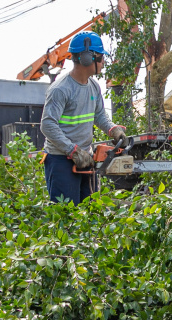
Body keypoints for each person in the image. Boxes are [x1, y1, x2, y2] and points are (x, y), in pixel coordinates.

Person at [40, 31, 126, 205]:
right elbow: (48, 125)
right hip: (60, 160)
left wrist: (112, 129)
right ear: (88, 58)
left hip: (85, 157)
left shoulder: (93, 86)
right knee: (66, 215)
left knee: (89, 212)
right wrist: (72, 150)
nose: (103, 63)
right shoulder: (61, 89)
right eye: (101, 58)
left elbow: (99, 115)